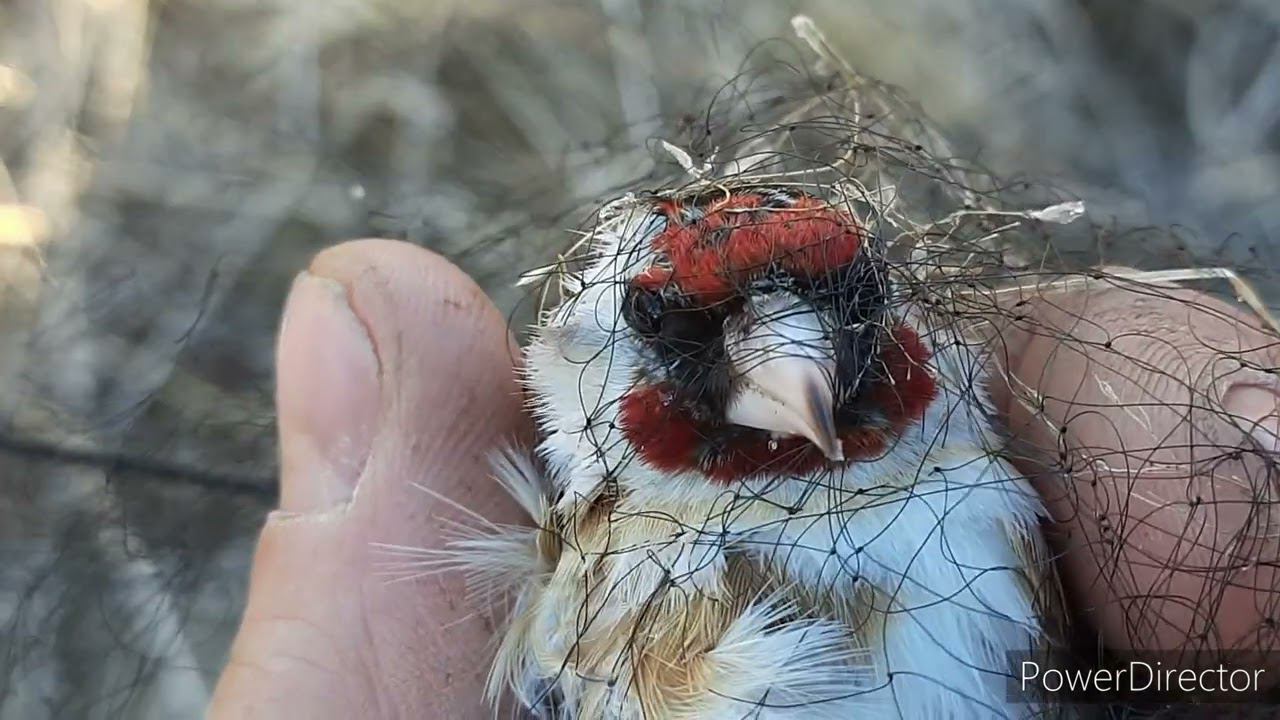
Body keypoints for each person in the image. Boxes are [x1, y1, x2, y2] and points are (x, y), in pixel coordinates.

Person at [208, 239, 1280, 717]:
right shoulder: (560, 595)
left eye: (844, 314)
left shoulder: (997, 493)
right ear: (579, 366)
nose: (797, 371)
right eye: (679, 333)